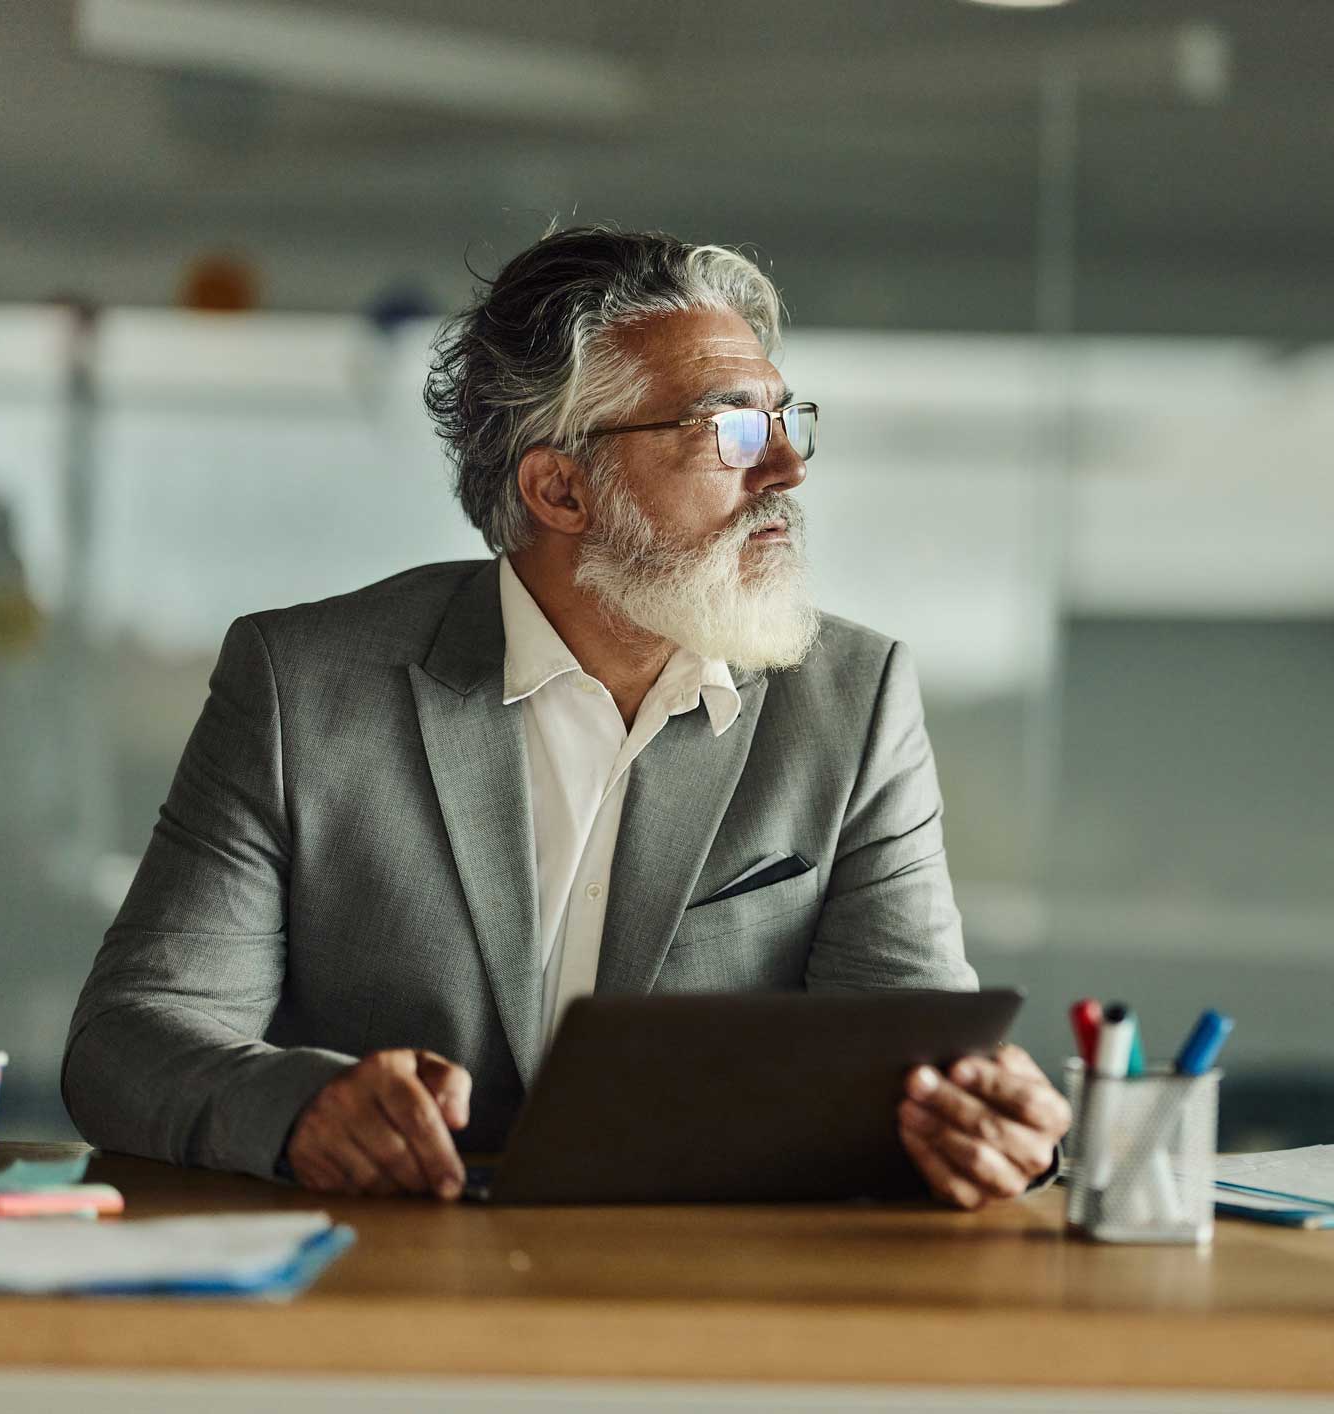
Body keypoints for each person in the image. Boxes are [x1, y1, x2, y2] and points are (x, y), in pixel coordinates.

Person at [63, 227, 1070, 1209]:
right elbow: (131, 1039)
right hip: (380, 1298)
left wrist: (996, 1134)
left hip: (711, 1310)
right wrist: (303, 1109)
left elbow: (917, 1063)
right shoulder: (304, 685)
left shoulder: (852, 698)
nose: (786, 470)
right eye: (731, 428)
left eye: (785, 419)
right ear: (559, 486)